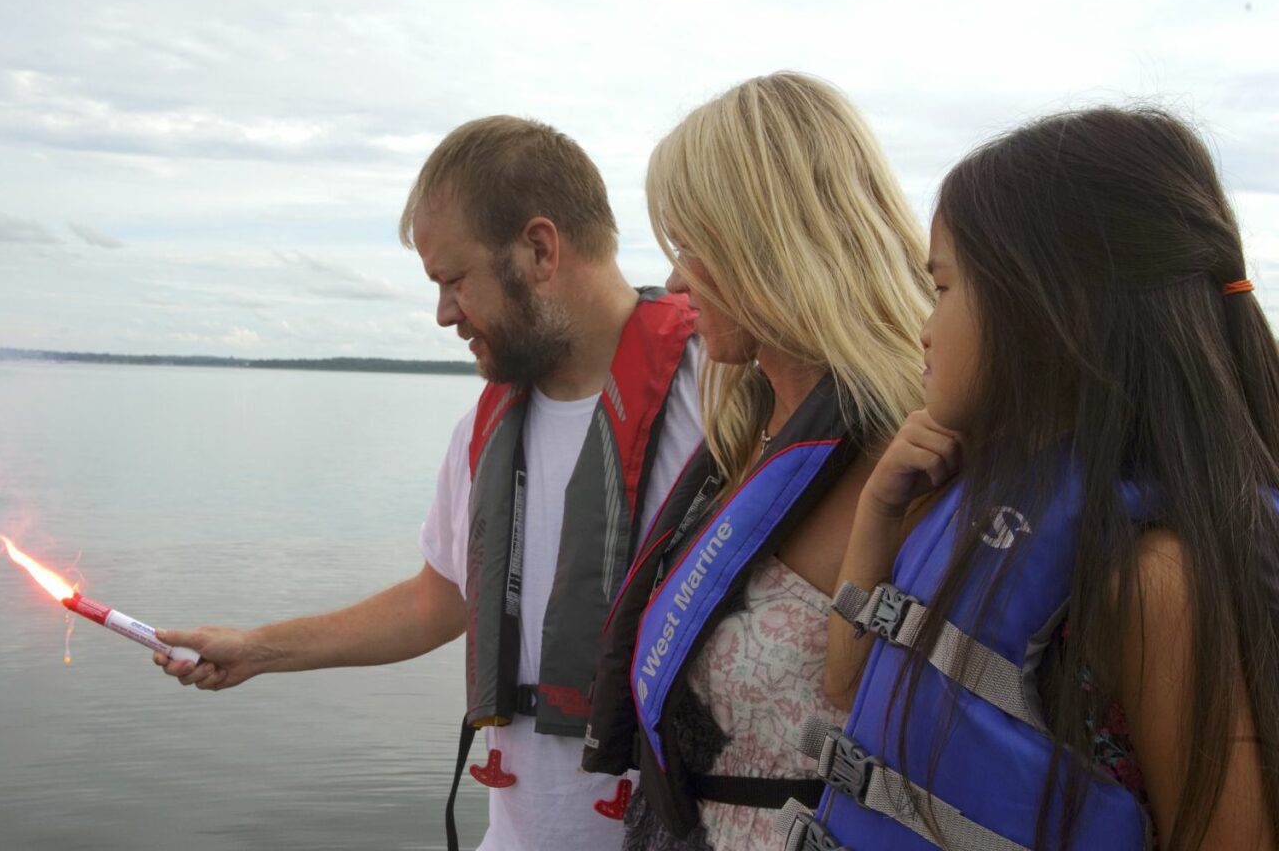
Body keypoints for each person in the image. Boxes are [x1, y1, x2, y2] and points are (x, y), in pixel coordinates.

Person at [154, 115, 706, 851]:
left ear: (540, 249)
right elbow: (436, 601)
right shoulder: (486, 427)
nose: (444, 313)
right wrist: (257, 649)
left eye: (454, 280)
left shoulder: (724, 398)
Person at [796, 108, 1279, 850]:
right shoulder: (979, 492)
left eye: (945, 289)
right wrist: (878, 513)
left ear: (1049, 309)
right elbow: (846, 685)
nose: (924, 326)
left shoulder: (1154, 576)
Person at [582, 72, 932, 851]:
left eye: (690, 246)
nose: (673, 279)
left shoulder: (910, 462)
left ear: (766, 240)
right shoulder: (742, 442)